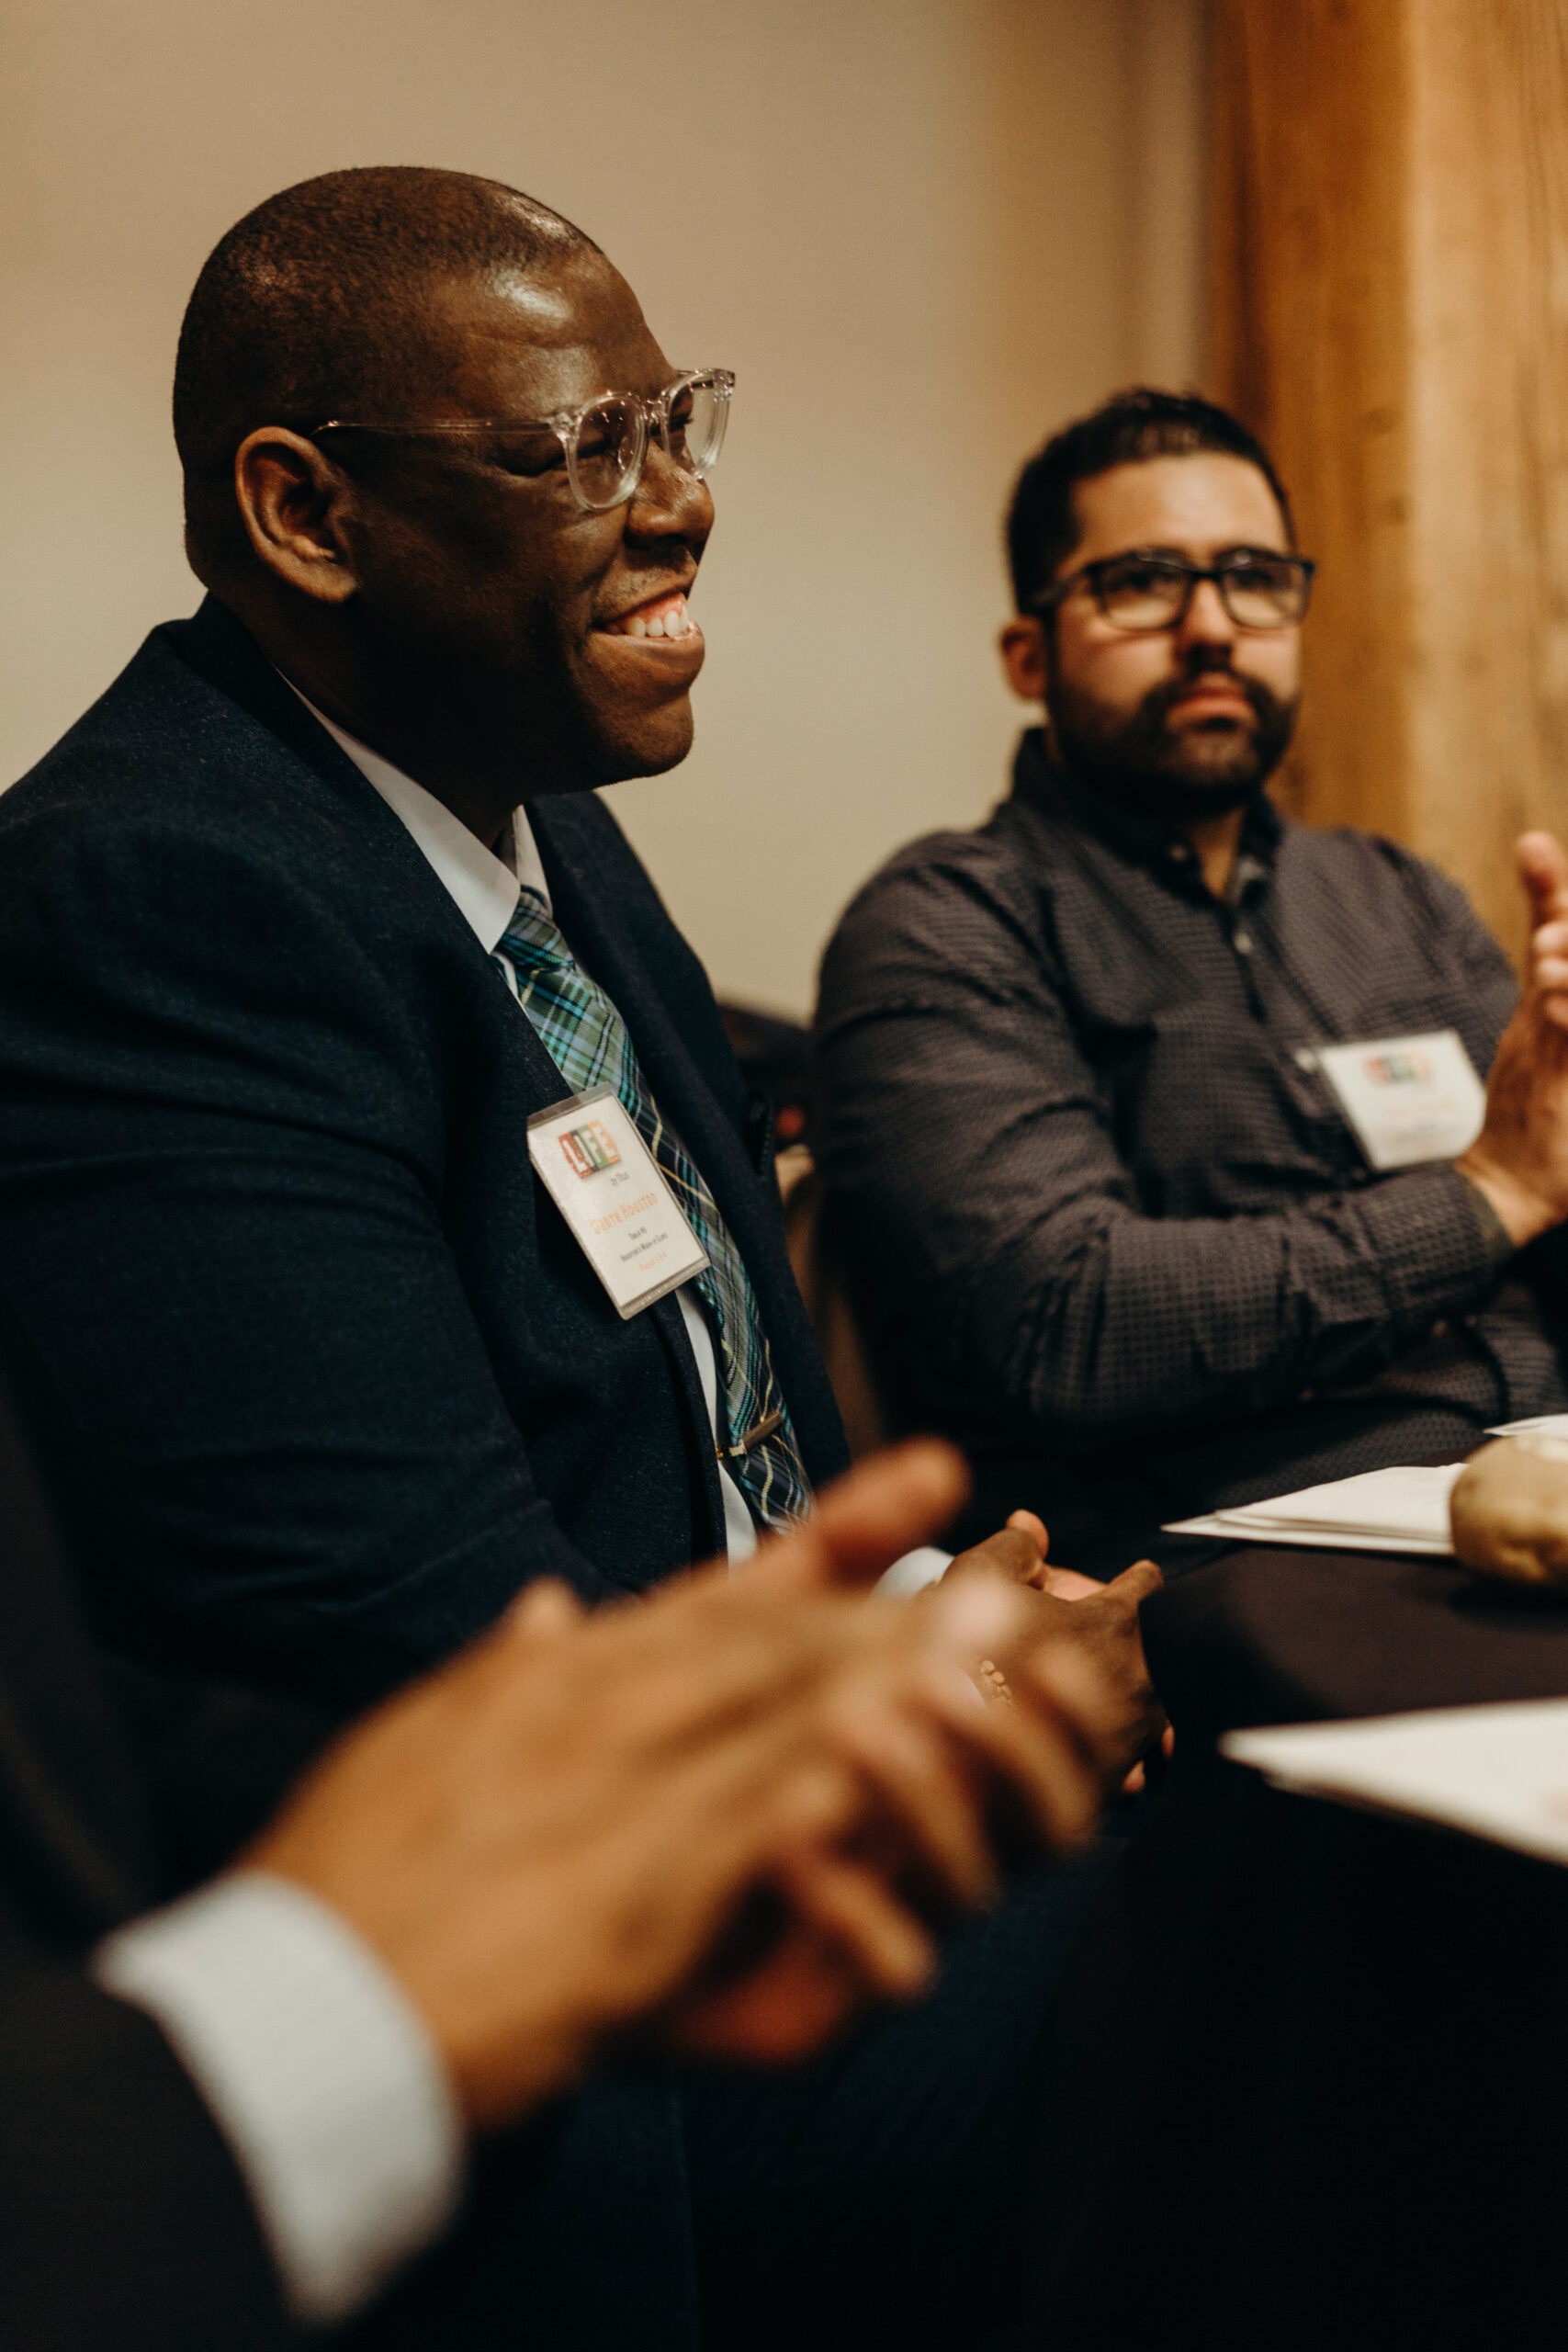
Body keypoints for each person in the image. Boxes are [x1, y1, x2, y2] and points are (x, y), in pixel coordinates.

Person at [0, 171, 1161, 2346]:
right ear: (305, 511)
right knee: (1287, 1996)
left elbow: (725, 1423)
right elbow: (430, 1652)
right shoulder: (156, 898)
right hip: (571, 2029)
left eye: (674, 423)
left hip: (749, 1807)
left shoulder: (531, 816)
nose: (675, 507)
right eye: (575, 449)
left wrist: (926, 1602)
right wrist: (937, 1693)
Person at [0, 1381, 1119, 2352]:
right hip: (156, 2135)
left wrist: (870, 1658)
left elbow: (89, 1718)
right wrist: (363, 1986)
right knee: (1222, 1965)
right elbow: (396, 1597)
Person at [813, 387, 1568, 1573]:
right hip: (1238, 1557)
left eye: (1253, 576)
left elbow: (1549, 1186)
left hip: (1536, 1475)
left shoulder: (1393, 899)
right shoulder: (943, 923)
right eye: (1142, 582)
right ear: (1027, 654)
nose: (1211, 625)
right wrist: (1478, 1201)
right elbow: (1068, 1322)